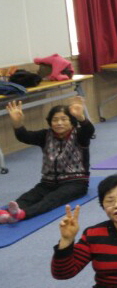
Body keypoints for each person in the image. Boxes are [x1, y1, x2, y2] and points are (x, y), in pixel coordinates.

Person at [0, 96, 93, 224]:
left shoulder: (79, 135)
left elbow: (89, 130)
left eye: (64, 119)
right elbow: (24, 136)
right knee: (29, 197)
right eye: (55, 120)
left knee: (50, 200)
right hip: (48, 182)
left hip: (75, 182)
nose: (59, 123)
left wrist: (81, 117)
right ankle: (7, 212)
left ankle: (22, 214)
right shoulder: (45, 135)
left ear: (72, 122)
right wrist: (17, 123)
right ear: (50, 122)